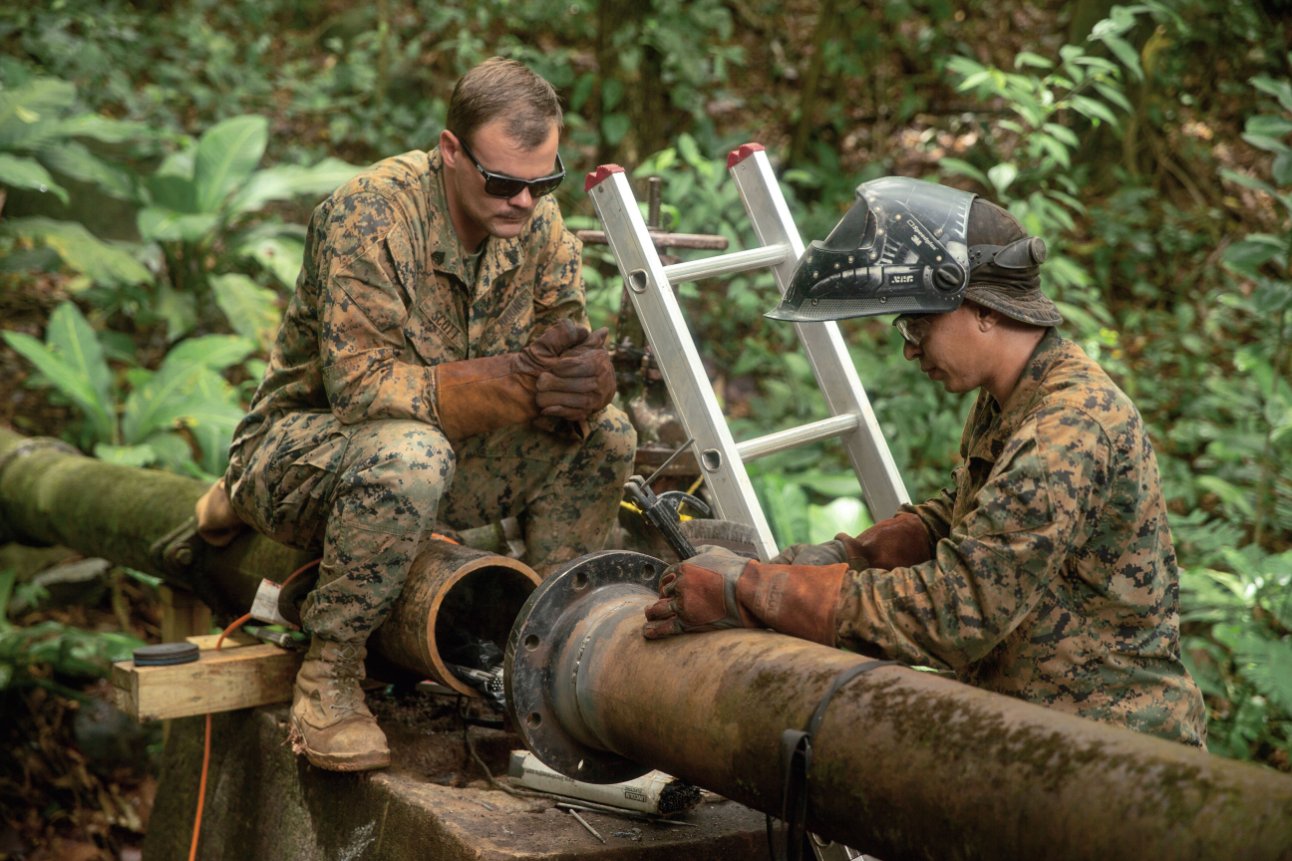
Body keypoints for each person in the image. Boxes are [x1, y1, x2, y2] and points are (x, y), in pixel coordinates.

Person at [642, 176, 1207, 748]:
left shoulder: (1064, 430)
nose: (910, 348)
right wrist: (846, 556)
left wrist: (758, 591)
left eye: (919, 323)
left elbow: (955, 611)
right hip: (1041, 730)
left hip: (1113, 753)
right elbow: (970, 517)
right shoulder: (1013, 394)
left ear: (983, 311)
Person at [194, 57, 637, 772]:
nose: (524, 202)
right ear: (451, 151)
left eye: (542, 182)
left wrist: (586, 381)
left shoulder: (540, 226)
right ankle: (329, 676)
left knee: (608, 437)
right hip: (307, 448)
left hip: (431, 464)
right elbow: (360, 389)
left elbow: (562, 344)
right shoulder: (369, 215)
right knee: (409, 453)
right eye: (503, 182)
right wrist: (512, 383)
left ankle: (542, 656)